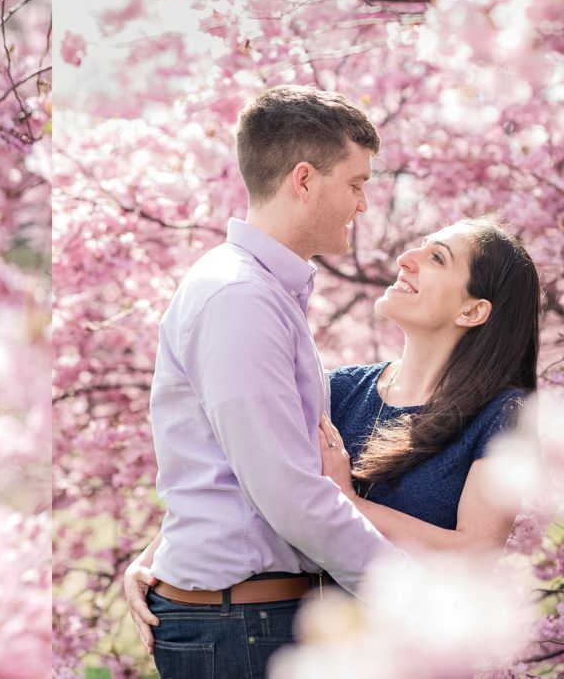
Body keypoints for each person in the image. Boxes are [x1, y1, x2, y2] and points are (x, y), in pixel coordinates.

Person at [122, 85, 412, 679]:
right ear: (303, 180)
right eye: (356, 184)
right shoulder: (240, 298)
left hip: (245, 620)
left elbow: (232, 468)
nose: (363, 205)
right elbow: (284, 488)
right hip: (241, 628)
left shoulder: (257, 292)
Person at [316, 218, 539, 553]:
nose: (405, 258)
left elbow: (475, 554)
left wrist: (349, 502)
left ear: (472, 310)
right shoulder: (339, 390)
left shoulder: (503, 416)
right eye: (420, 246)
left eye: (437, 258)